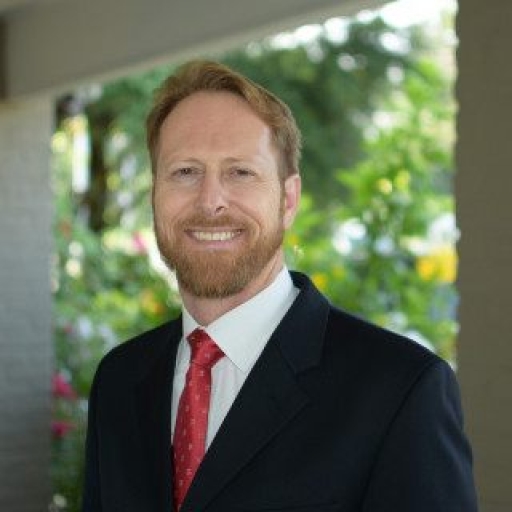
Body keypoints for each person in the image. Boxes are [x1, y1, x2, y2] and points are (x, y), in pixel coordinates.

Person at [82, 60, 478, 512]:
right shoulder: (119, 380)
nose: (210, 201)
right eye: (185, 172)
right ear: (155, 194)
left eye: (240, 172)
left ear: (288, 200)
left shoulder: (400, 391)